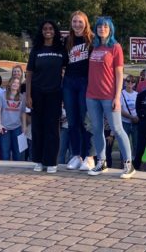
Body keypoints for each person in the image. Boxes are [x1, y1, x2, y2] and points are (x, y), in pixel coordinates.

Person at [86, 16, 135, 178]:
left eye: (105, 27)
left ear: (110, 29)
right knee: (97, 129)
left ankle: (128, 164)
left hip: (109, 95)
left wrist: (116, 97)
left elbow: (119, 74)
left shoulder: (115, 47)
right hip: (92, 95)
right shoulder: (94, 47)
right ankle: (101, 162)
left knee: (117, 129)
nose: (102, 29)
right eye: (99, 27)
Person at [27, 20, 68, 171]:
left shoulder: (61, 49)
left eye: (50, 28)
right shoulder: (36, 50)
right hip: (37, 93)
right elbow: (29, 73)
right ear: (41, 31)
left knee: (52, 128)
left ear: (55, 31)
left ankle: (51, 161)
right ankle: (38, 160)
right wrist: (28, 96)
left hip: (54, 93)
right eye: (45, 28)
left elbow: (68, 69)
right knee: (37, 127)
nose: (48, 31)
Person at [63, 11, 95, 171]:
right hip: (69, 82)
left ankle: (88, 156)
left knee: (85, 120)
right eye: (74, 21)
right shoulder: (67, 40)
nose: (77, 24)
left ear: (86, 23)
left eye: (80, 22)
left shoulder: (92, 39)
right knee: (72, 120)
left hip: (85, 82)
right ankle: (76, 155)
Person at [121, 74, 139, 158]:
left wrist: (137, 118)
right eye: (128, 81)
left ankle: (135, 162)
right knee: (124, 144)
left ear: (135, 84)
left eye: (133, 82)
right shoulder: (121, 93)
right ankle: (123, 161)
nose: (130, 83)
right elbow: (120, 110)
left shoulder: (137, 94)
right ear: (125, 82)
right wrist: (131, 117)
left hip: (136, 123)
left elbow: (140, 108)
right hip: (125, 122)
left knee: (136, 144)